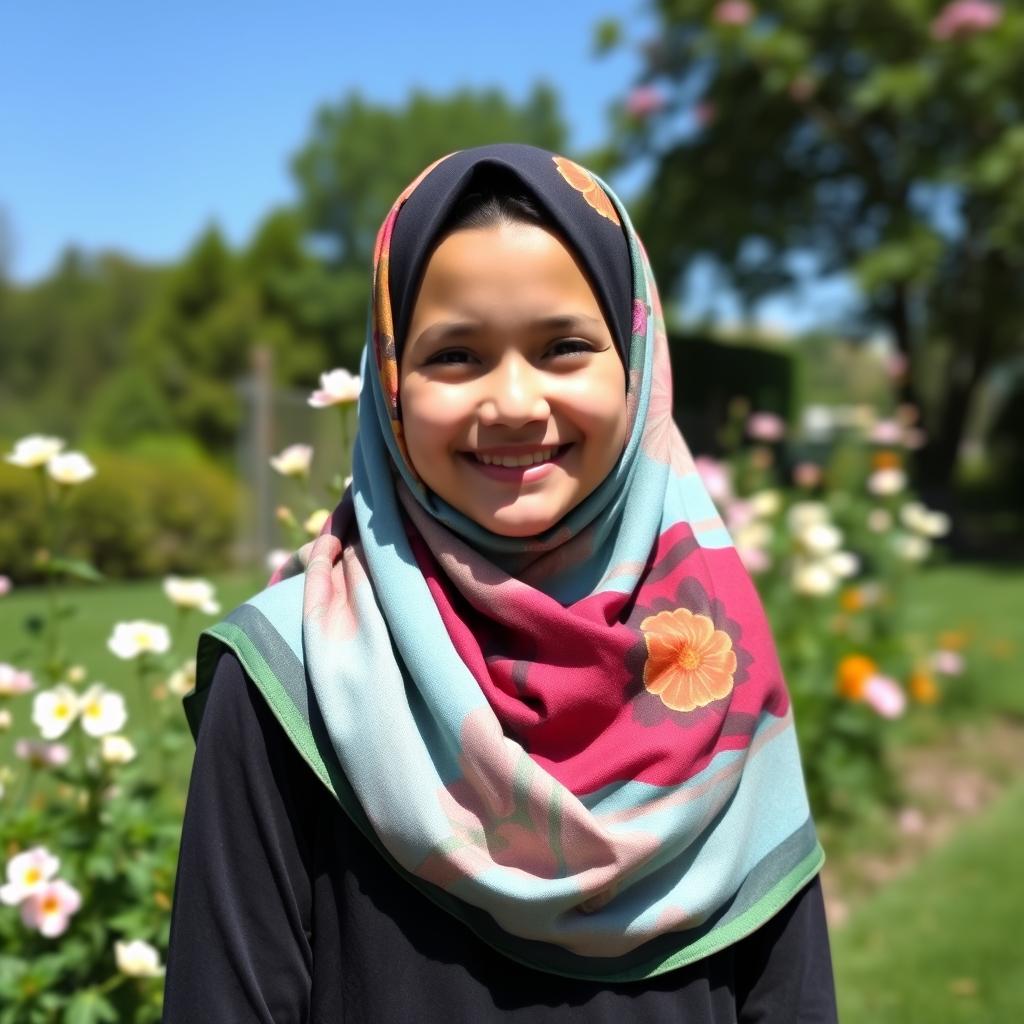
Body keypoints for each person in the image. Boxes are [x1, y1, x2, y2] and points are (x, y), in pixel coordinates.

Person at [163, 143, 839, 1022]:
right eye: (455, 356)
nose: (515, 403)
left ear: (635, 365)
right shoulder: (295, 680)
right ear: (392, 381)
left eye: (564, 346)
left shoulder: (715, 659)